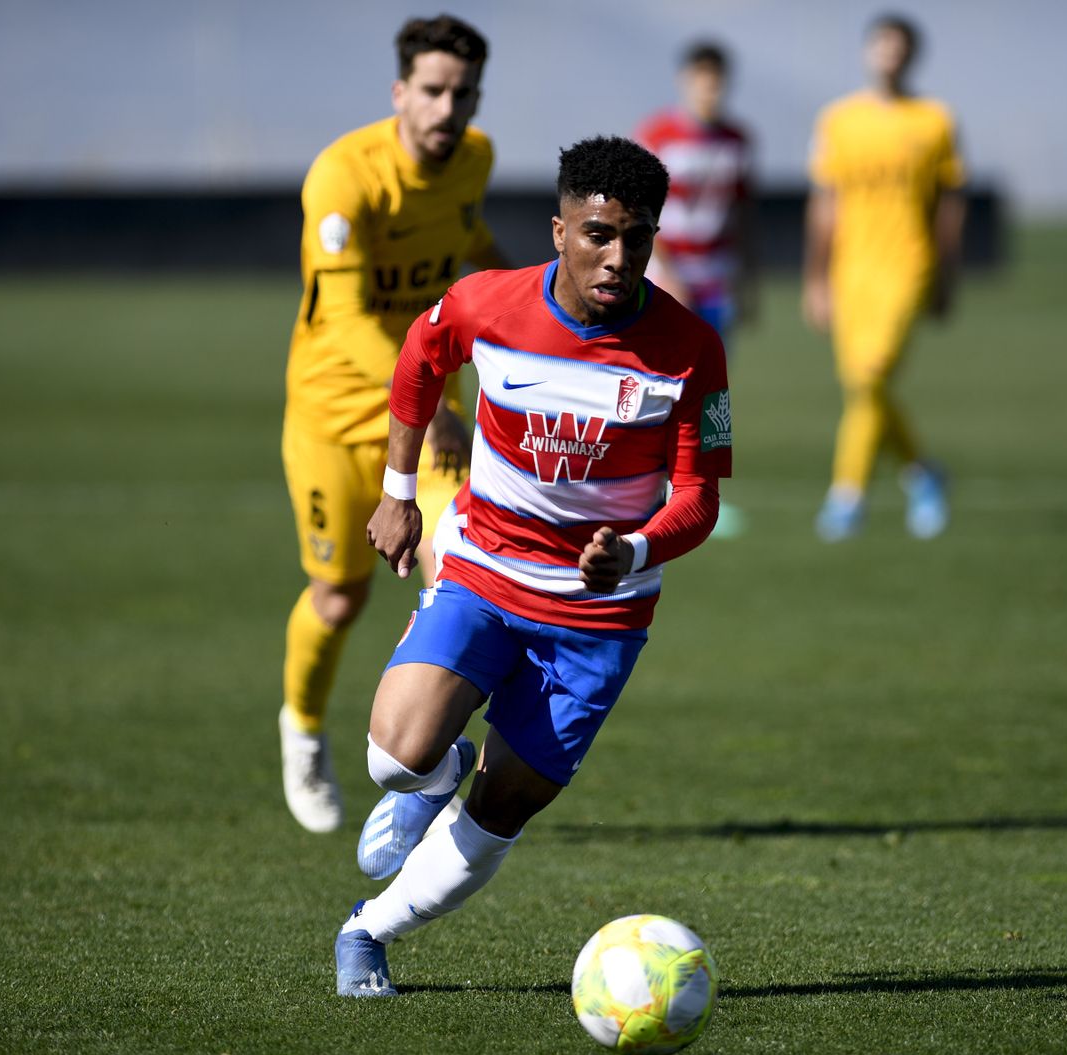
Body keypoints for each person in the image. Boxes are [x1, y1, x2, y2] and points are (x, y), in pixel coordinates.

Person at [333, 136, 732, 996]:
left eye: (637, 237)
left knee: (505, 805)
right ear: (559, 230)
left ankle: (367, 932)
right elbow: (417, 358)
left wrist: (634, 549)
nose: (618, 257)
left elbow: (700, 498)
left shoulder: (694, 351)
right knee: (394, 760)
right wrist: (398, 491)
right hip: (485, 569)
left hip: (599, 616)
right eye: (598, 233)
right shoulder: (485, 305)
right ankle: (426, 782)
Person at [278, 15, 510, 834]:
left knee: (462, 568)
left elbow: (470, 246)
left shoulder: (475, 159)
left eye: (464, 93)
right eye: (434, 90)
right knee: (338, 600)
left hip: (424, 425)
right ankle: (302, 731)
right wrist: (438, 400)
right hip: (334, 417)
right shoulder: (345, 176)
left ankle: (423, 768)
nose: (449, 108)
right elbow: (341, 320)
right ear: (400, 92)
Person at [804, 14, 966, 542]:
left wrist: (946, 274)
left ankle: (847, 495)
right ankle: (923, 472)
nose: (890, 54)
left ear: (912, 54)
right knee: (862, 385)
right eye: (882, 44)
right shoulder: (839, 121)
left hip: (908, 264)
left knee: (871, 376)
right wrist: (816, 277)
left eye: (900, 46)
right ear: (869, 52)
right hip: (853, 271)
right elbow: (825, 203)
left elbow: (948, 205)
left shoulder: (935, 120)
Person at [635, 41, 758, 538]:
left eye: (717, 80)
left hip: (719, 280)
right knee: (656, 386)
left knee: (710, 394)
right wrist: (669, 272)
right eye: (702, 79)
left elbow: (744, 215)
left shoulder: (737, 141)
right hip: (669, 282)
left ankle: (703, 495)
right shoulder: (658, 135)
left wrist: (748, 280)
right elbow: (641, 211)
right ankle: (648, 489)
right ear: (686, 81)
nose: (710, 89)